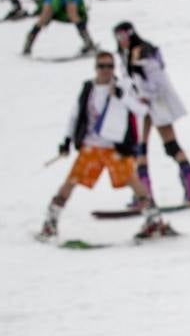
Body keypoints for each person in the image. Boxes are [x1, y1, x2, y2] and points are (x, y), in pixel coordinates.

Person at [40, 51, 172, 243]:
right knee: (71, 181)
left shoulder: (123, 87)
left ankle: (154, 220)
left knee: (133, 182)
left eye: (110, 66)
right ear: (96, 68)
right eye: (102, 66)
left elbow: (142, 110)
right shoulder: (88, 89)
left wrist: (122, 97)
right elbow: (75, 115)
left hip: (115, 146)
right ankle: (50, 222)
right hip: (91, 146)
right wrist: (67, 140)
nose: (106, 70)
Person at [113, 22, 190, 206]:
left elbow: (158, 82)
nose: (121, 41)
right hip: (143, 107)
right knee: (142, 149)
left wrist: (145, 95)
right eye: (118, 38)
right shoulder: (127, 54)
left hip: (156, 106)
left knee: (168, 146)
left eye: (123, 36)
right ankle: (147, 193)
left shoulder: (143, 52)